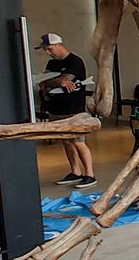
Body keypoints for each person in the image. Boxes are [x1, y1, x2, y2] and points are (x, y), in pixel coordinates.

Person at [35, 32, 96, 188]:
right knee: (66, 141)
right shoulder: (52, 64)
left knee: (78, 141)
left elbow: (63, 80)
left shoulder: (75, 62)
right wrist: (54, 82)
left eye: (50, 49)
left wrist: (55, 82)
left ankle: (90, 174)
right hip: (57, 108)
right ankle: (75, 171)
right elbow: (44, 83)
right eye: (46, 50)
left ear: (59, 45)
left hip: (74, 109)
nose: (48, 53)